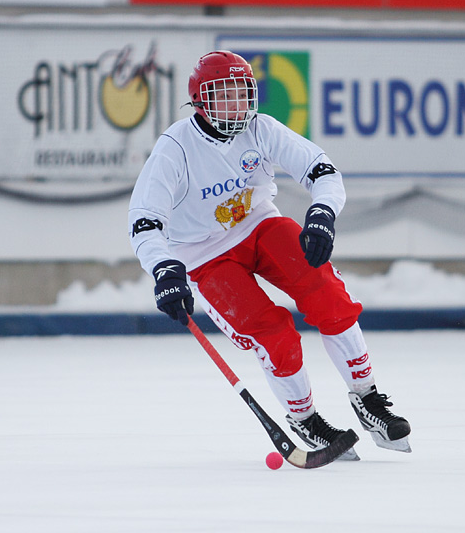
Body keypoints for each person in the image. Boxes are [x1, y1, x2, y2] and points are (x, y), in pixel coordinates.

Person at [128, 50, 410, 457]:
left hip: (260, 226)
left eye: (242, 93)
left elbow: (320, 168)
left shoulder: (260, 128)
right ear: (200, 102)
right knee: (274, 334)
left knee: (329, 295)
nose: (237, 105)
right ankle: (307, 419)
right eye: (224, 95)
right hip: (204, 255)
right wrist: (164, 270)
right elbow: (145, 220)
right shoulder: (175, 147)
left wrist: (322, 212)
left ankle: (367, 399)